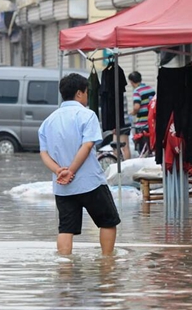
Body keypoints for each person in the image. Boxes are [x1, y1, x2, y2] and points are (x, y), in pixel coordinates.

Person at [38, 73, 120, 255]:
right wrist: (72, 171)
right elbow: (88, 144)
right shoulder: (87, 115)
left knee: (66, 228)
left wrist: (60, 171)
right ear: (79, 94)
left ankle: (65, 268)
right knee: (108, 221)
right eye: (86, 92)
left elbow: (43, 153)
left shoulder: (48, 122)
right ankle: (107, 264)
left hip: (63, 186)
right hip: (89, 182)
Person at [128, 71, 156, 155]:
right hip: (152, 123)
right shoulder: (151, 89)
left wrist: (132, 113)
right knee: (151, 148)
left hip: (142, 125)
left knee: (142, 150)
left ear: (132, 82)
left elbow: (136, 106)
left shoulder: (137, 91)